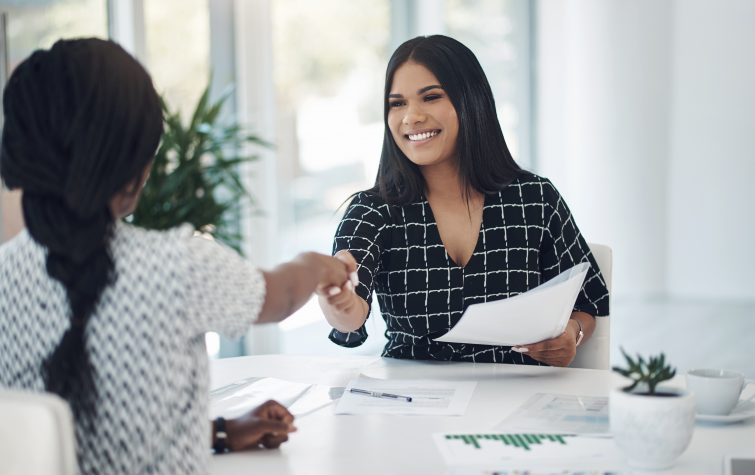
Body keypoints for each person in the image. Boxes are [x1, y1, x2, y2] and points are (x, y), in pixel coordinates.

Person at [0, 38, 357, 474]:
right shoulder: (176, 266)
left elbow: (73, 436)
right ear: (138, 165)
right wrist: (317, 265)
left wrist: (222, 431)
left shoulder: (4, 275)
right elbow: (278, 297)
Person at [318, 35, 609, 367]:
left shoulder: (535, 199)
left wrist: (573, 331)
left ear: (471, 101)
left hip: (516, 398)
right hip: (411, 403)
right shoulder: (373, 211)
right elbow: (351, 318)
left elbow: (589, 302)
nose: (410, 117)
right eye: (397, 103)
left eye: (430, 97)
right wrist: (337, 298)